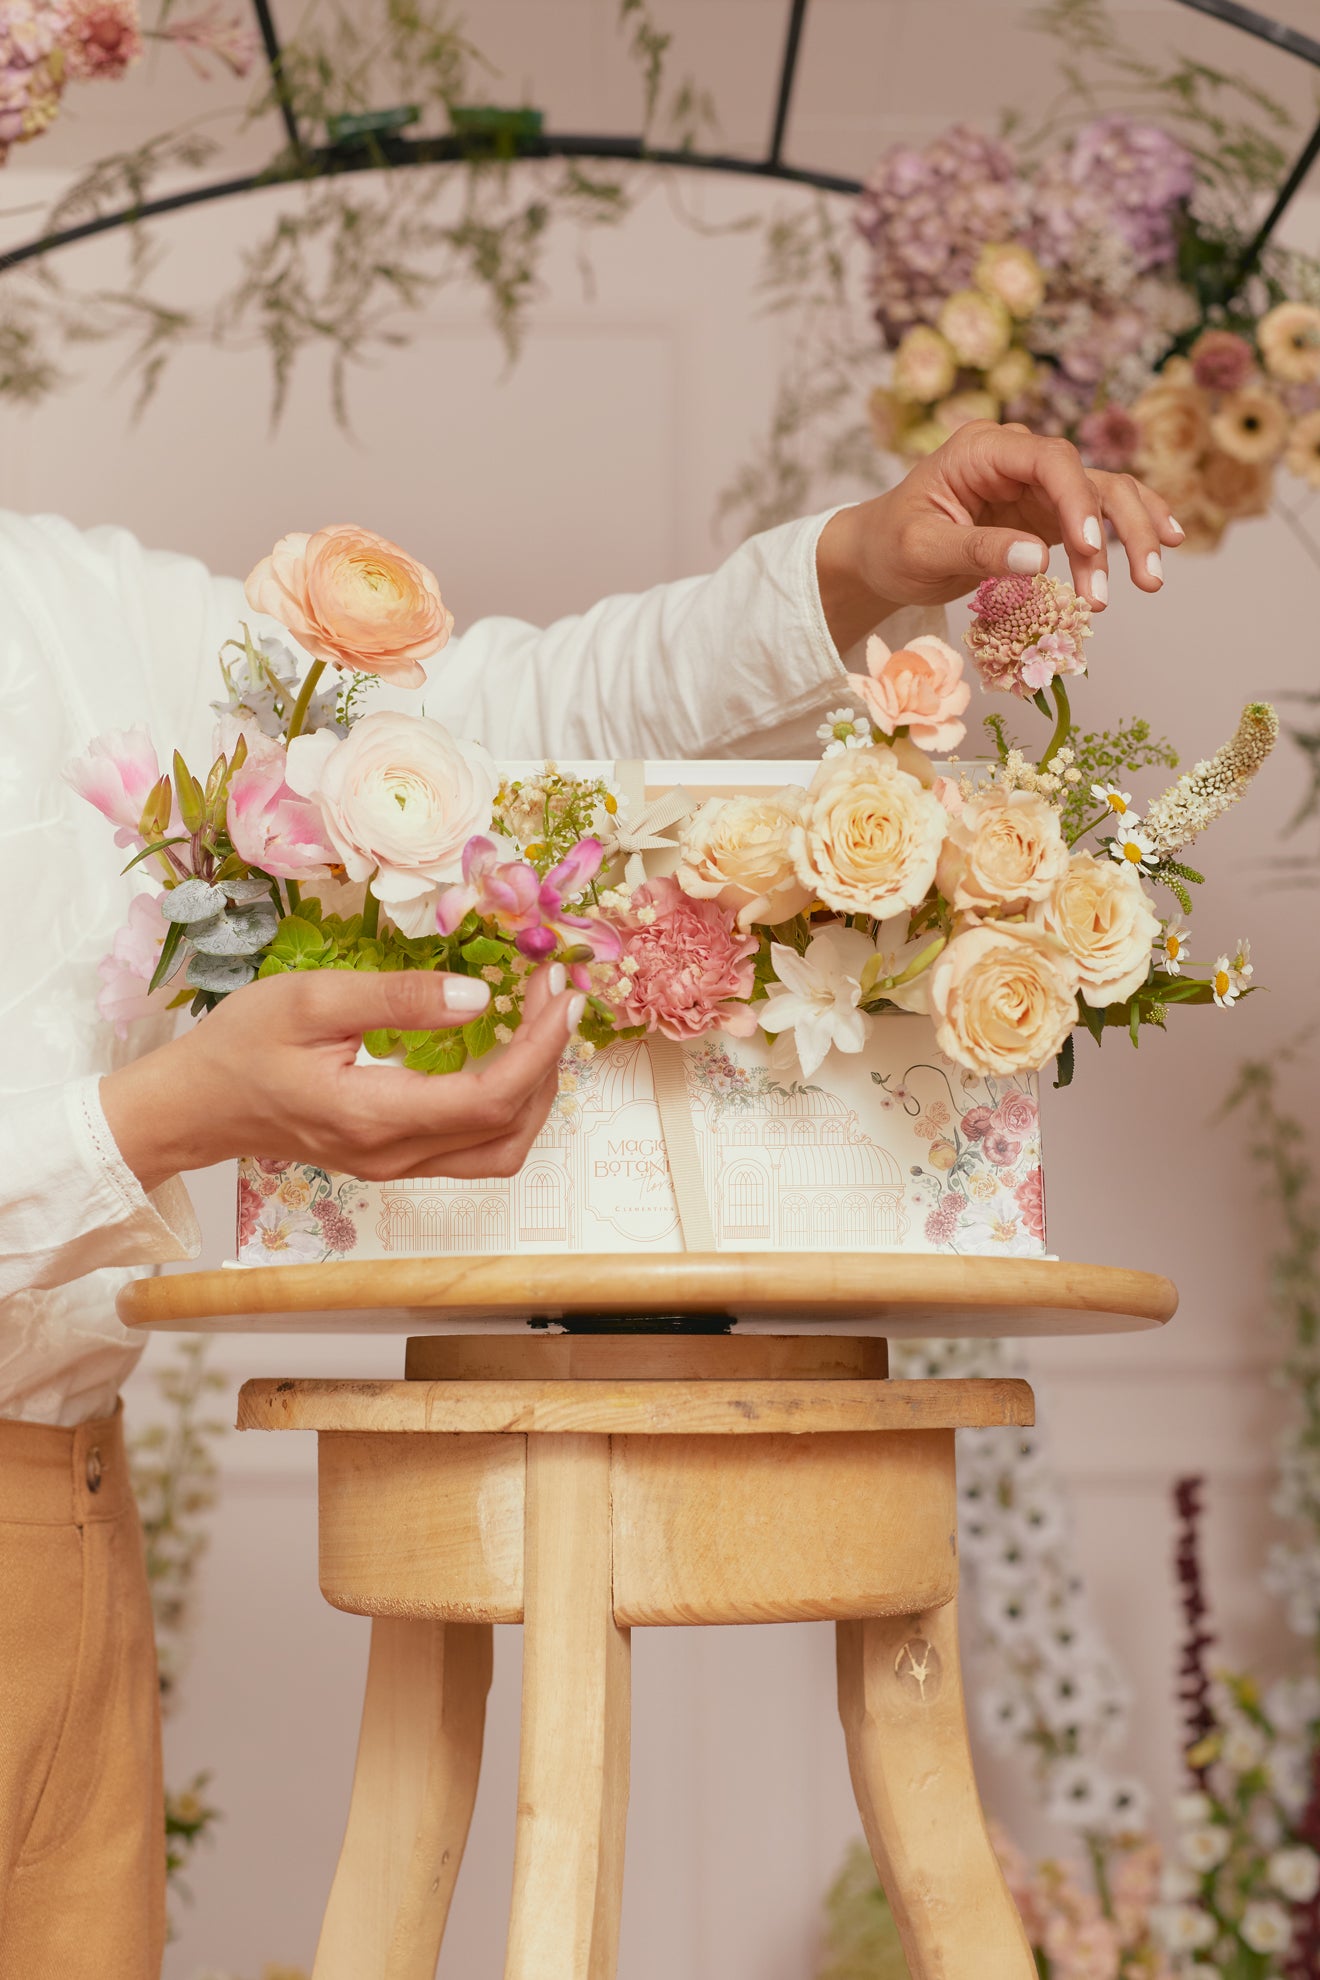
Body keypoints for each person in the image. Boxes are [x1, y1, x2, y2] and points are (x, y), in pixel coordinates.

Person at [0, 420, 1179, 1978]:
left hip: (49, 1524)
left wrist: (848, 569)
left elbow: (477, 735)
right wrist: (159, 1118)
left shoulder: (62, 608)